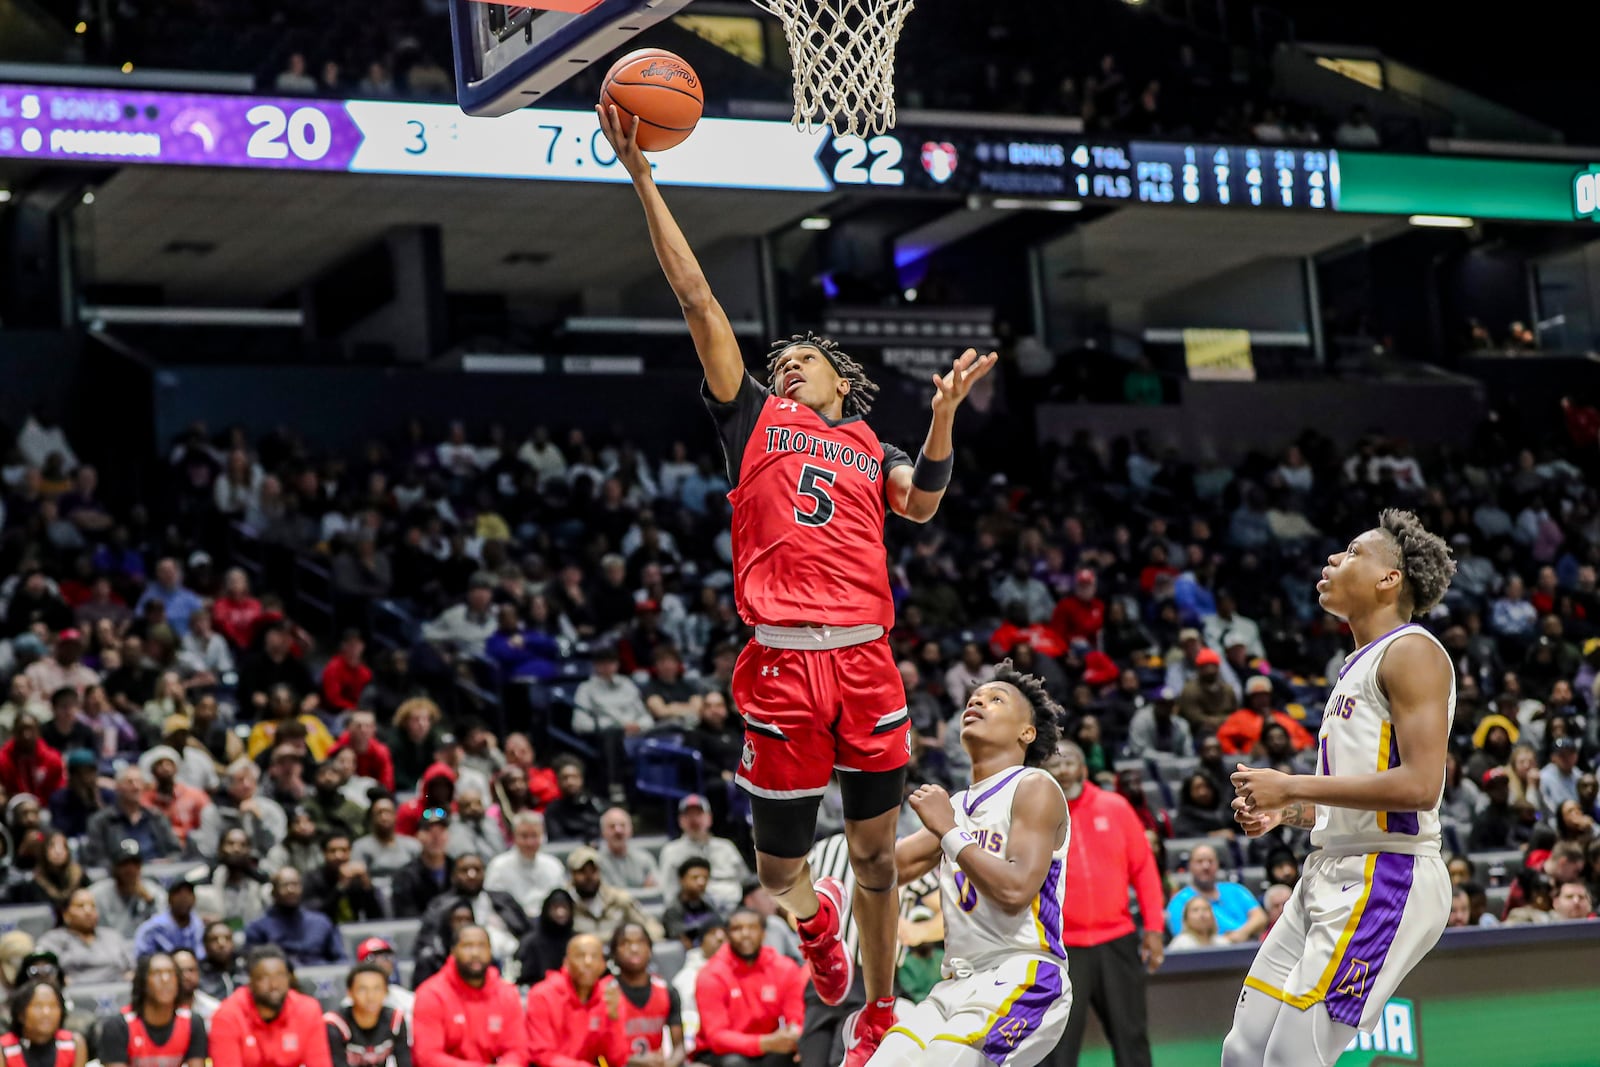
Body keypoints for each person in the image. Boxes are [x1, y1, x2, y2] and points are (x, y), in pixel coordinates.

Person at [600, 101, 994, 1066]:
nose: (785, 366)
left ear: (839, 379)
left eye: (801, 361)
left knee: (872, 856)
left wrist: (942, 419)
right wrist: (644, 176)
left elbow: (923, 504)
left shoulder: (870, 443)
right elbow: (698, 302)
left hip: (864, 660)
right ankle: (811, 927)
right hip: (779, 663)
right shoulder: (750, 418)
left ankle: (872, 1012)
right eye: (779, 361)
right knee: (781, 868)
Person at [1225, 511, 1456, 1067]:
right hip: (1331, 868)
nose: (1332, 559)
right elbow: (1358, 797)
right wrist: (1292, 812)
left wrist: (1290, 785)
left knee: (1290, 1057)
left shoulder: (1412, 652)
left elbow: (1422, 787)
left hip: (1388, 875)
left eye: (1352, 552)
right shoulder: (1356, 664)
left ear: (1389, 579)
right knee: (1244, 1051)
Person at [874, 660, 1070, 1067]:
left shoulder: (1033, 787)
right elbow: (880, 871)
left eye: (996, 699)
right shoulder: (957, 807)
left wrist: (948, 831)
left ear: (1026, 732)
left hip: (1024, 973)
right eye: (975, 698)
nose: (978, 700)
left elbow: (1015, 891)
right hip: (955, 983)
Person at [1041, 741, 1163, 1067]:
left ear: (1083, 768)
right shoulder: (1037, 815)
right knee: (1056, 1047)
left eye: (1070, 762)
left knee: (1131, 1038)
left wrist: (1153, 928)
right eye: (1055, 764)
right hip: (1062, 948)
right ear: (1045, 773)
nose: (1063, 770)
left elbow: (1145, 871)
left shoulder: (1116, 807)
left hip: (1117, 941)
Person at [693, 910, 805, 1067]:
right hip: (721, 1053)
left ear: (763, 933)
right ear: (727, 935)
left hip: (770, 1046)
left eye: (752, 927)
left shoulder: (785, 968)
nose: (745, 934)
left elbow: (797, 1017)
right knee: (734, 1063)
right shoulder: (711, 974)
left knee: (798, 1054)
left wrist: (793, 1035)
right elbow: (717, 1037)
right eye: (737, 929)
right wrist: (763, 1043)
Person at [411, 926, 527, 1067]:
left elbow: (518, 1050)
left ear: (490, 951)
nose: (475, 953)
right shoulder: (431, 994)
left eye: (481, 946)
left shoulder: (507, 993)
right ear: (453, 951)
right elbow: (428, 1057)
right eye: (467, 946)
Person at [209, 946, 333, 1067]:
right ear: (250, 982)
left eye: (280, 975)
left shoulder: (308, 1009)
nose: (274, 985)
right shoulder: (227, 1016)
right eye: (264, 978)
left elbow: (319, 1063)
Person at [523, 934, 631, 1067]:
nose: (588, 962)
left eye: (594, 956)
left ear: (603, 965)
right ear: (566, 963)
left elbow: (617, 1060)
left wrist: (613, 1019)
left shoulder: (609, 997)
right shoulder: (542, 995)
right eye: (580, 955)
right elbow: (541, 1054)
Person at [98, 952, 208, 1067]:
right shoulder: (117, 1026)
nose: (165, 979)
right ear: (143, 981)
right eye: (157, 973)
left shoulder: (193, 1022)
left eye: (171, 973)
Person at [419, 853, 530, 965]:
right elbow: (430, 943)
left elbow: (528, 933)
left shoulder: (503, 899)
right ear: (453, 875)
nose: (471, 875)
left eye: (477, 869)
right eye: (464, 870)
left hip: (516, 960)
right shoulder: (441, 905)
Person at [654, 795, 750, 913]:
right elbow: (669, 892)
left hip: (734, 907)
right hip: (696, 912)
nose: (694, 820)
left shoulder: (726, 847)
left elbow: (745, 881)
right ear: (680, 821)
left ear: (709, 818)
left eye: (698, 814)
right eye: (688, 815)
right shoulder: (671, 851)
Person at [609, 923, 686, 1067]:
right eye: (625, 943)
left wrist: (671, 1063)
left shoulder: (667, 990)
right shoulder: (604, 993)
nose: (634, 949)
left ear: (650, 949)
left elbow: (679, 1047)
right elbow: (596, 1052)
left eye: (641, 942)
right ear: (614, 952)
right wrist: (631, 1061)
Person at [243, 868, 346, 967]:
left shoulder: (322, 922)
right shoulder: (258, 928)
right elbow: (255, 967)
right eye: (284, 885)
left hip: (321, 979)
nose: (291, 889)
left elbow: (341, 960)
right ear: (273, 892)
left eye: (295, 884)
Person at [84, 765, 182, 866]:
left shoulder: (156, 817)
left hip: (157, 875)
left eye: (139, 782)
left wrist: (168, 861)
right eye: (129, 782)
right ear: (118, 787)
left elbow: (176, 852)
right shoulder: (100, 821)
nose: (136, 787)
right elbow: (96, 858)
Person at [1162, 844, 1264, 942]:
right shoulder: (1179, 901)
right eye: (1199, 861)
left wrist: (1242, 933)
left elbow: (1260, 917)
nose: (1206, 866)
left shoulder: (1235, 890)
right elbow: (1184, 936)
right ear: (1190, 866)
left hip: (1246, 947)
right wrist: (1223, 941)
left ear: (1218, 864)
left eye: (1210, 861)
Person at [35, 888, 134, 985]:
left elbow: (133, 967)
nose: (88, 911)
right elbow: (45, 971)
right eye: (80, 906)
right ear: (66, 914)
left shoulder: (112, 936)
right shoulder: (52, 939)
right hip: (71, 993)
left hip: (117, 992)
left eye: (93, 906)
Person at [566, 847, 663, 943]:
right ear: (572, 874)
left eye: (593, 871)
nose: (589, 877)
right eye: (582, 872)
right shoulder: (565, 903)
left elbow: (650, 926)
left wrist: (641, 942)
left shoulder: (619, 899)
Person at [323, 963, 410, 1067]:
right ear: (349, 992)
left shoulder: (396, 1020)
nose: (371, 996)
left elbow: (405, 1061)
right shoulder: (335, 1024)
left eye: (377, 988)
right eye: (362, 989)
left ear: (386, 992)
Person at [484, 811, 566, 917]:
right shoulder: (498, 866)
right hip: (510, 925)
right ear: (514, 837)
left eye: (534, 836)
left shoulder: (553, 865)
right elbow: (492, 904)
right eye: (524, 836)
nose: (530, 842)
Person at [90, 840, 168, 939]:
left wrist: (149, 901)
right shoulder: (97, 894)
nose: (130, 869)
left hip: (145, 948)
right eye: (125, 864)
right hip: (109, 949)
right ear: (115, 867)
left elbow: (165, 926)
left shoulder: (153, 892)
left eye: (135, 864)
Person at [301, 833, 385, 923]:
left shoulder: (357, 879)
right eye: (333, 851)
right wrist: (341, 887)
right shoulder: (312, 879)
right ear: (324, 853)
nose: (339, 856)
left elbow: (377, 918)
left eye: (344, 850)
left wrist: (367, 885)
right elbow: (316, 917)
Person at [2, 981, 84, 1067]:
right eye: (38, 1006)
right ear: (21, 1014)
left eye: (53, 1006)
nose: (46, 1013)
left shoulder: (74, 1044)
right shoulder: (4, 1049)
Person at [392, 808, 454, 917]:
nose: (436, 837)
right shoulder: (405, 876)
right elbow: (407, 917)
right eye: (429, 831)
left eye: (441, 830)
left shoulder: (458, 869)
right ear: (418, 836)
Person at [134, 868, 209, 957]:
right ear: (169, 899)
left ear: (194, 899)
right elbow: (142, 959)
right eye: (178, 894)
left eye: (188, 893)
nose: (184, 898)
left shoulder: (199, 926)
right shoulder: (153, 928)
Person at [352, 796, 421, 879]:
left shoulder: (412, 844)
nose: (384, 817)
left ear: (395, 816)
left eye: (388, 812)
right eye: (379, 813)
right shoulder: (361, 846)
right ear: (372, 817)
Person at [662, 858, 724, 948]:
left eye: (705, 878)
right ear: (681, 880)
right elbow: (679, 936)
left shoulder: (711, 905)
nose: (701, 882)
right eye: (695, 878)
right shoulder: (672, 910)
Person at [541, 758, 605, 843]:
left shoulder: (596, 805)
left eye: (574, 777)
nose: (570, 782)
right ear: (558, 781)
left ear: (581, 779)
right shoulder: (553, 810)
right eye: (565, 778)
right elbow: (557, 840)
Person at [596, 808, 656, 889]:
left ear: (631, 830)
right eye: (612, 826)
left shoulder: (645, 859)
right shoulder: (596, 862)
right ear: (602, 832)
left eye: (623, 825)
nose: (618, 830)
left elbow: (656, 890)